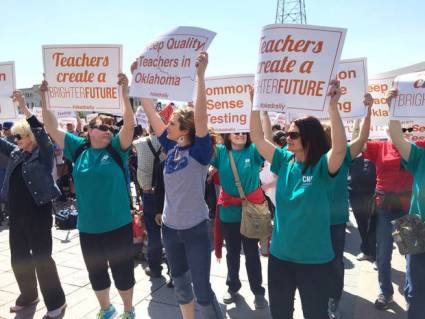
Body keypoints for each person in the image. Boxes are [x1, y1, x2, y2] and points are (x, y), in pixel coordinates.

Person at [40, 73, 136, 319]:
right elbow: (51, 127)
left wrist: (125, 94)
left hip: (118, 224)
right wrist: (45, 97)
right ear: (90, 131)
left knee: (122, 270)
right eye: (103, 127)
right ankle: (106, 309)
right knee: (96, 272)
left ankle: (128, 310)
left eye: (110, 127)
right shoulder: (78, 148)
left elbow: (130, 126)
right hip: (89, 227)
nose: (108, 131)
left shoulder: (117, 149)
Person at [250, 80, 347, 319]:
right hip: (280, 258)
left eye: (293, 134)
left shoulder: (322, 167)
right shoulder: (284, 160)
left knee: (315, 314)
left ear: (310, 138)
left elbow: (340, 150)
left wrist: (333, 108)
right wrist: (254, 103)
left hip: (315, 261)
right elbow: (258, 138)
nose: (287, 138)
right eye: (288, 133)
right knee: (281, 314)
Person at [138, 52, 224, 319]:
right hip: (170, 230)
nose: (168, 125)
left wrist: (200, 76)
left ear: (185, 129)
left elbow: (201, 117)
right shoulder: (171, 148)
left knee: (202, 289)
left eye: (173, 122)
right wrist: (138, 83)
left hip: (195, 230)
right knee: (181, 286)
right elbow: (151, 114)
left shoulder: (199, 151)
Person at [0, 91, 66, 318]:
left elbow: (40, 130)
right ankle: (28, 295)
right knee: (19, 257)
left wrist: (23, 107)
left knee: (41, 258)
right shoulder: (17, 153)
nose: (16, 140)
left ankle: (57, 302)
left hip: (38, 213)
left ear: (31, 137)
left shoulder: (44, 153)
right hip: (16, 214)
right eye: (15, 137)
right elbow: (2, 144)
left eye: (20, 136)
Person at [361, 97, 425, 310]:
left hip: (409, 208)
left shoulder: (418, 147)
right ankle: (385, 291)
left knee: (411, 253)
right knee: (384, 251)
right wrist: (367, 112)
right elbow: (359, 142)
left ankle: (411, 291)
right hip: (386, 208)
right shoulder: (380, 147)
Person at [323, 93, 374, 318]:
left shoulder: (343, 156)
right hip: (313, 221)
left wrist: (368, 110)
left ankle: (333, 298)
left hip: (335, 221)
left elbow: (362, 138)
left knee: (334, 262)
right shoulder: (308, 157)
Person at [211, 131, 267, 309]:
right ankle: (232, 286)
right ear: (227, 135)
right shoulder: (220, 152)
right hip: (229, 213)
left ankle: (258, 291)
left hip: (250, 213)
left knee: (251, 253)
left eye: (244, 132)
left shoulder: (253, 150)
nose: (240, 135)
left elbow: (265, 140)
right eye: (236, 132)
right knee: (232, 253)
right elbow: (203, 141)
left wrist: (262, 114)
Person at [387, 90, 425, 319]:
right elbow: (398, 139)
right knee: (416, 291)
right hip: (419, 233)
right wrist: (394, 108)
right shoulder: (421, 156)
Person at [133, 125, 165, 277]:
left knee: (153, 234)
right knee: (170, 233)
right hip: (167, 193)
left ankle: (155, 268)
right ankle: (174, 272)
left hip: (149, 193)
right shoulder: (169, 142)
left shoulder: (139, 143)